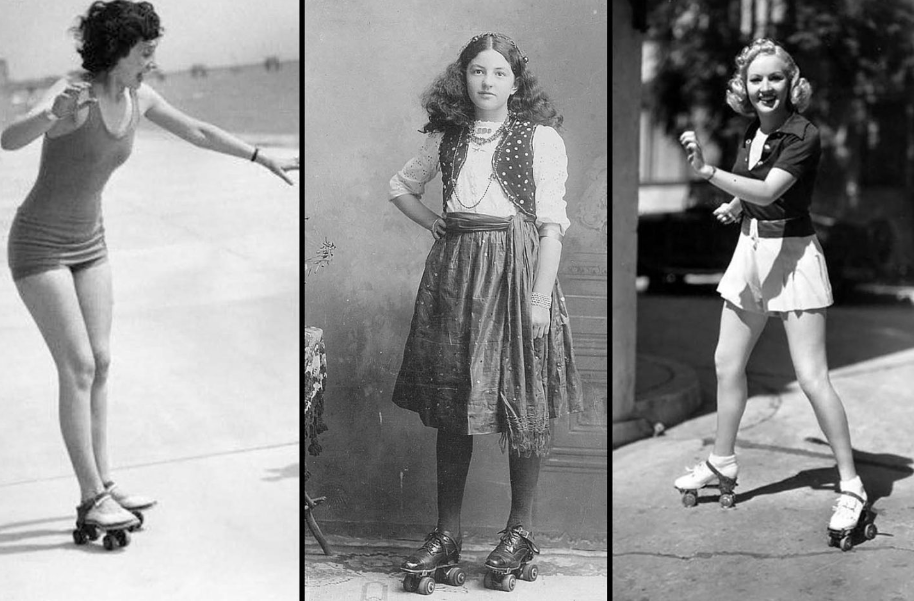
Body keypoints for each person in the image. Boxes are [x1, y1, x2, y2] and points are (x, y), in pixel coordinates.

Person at [0, 0, 298, 541]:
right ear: (117, 50)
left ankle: (105, 481)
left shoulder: (139, 97)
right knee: (79, 367)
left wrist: (260, 155)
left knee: (103, 361)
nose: (152, 62)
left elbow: (199, 132)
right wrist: (51, 115)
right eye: (145, 52)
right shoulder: (73, 92)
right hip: (38, 247)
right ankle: (90, 498)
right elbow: (9, 137)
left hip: (91, 243)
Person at [387, 32, 588, 589]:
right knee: (456, 403)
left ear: (515, 83)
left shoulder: (541, 138)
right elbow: (400, 187)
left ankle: (519, 532)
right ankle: (446, 533)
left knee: (523, 399)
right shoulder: (448, 138)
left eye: (499, 73)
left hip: (520, 271)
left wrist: (540, 298)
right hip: (456, 276)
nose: (487, 82)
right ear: (463, 78)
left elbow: (552, 228)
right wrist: (433, 222)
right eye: (478, 71)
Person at [673, 39, 867, 539]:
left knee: (811, 376)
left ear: (791, 83)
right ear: (744, 86)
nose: (765, 88)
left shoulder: (805, 134)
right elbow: (753, 186)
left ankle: (851, 485)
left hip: (794, 257)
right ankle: (722, 461)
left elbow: (768, 189)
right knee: (726, 363)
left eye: (775, 78)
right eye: (756, 79)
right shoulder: (752, 132)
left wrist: (708, 175)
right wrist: (736, 208)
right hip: (750, 252)